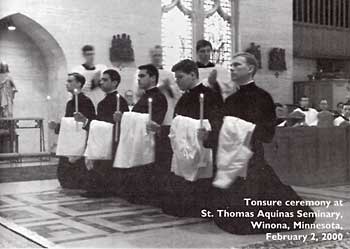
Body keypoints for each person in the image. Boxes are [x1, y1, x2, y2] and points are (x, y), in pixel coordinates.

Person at [200, 52, 315, 234]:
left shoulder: (263, 97)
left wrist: (242, 129)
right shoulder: (230, 99)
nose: (232, 68)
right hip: (230, 157)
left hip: (251, 157)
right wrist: (208, 137)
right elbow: (222, 129)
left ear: (250, 68)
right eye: (231, 65)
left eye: (237, 65)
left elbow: (267, 133)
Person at [160, 59, 223, 217]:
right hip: (184, 147)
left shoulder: (210, 95)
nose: (177, 81)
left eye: (180, 77)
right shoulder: (184, 97)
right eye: (176, 78)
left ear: (193, 75)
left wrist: (208, 133)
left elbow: (217, 121)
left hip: (202, 146)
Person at [114, 64, 167, 204]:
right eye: (138, 76)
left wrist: (124, 117)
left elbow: (154, 121)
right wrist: (125, 117)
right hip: (140, 141)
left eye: (142, 76)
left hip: (150, 142)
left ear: (153, 78)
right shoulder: (145, 97)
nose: (139, 79)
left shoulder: (158, 97)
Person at [73, 69, 129, 197]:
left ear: (114, 83)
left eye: (105, 80)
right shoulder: (103, 102)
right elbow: (97, 123)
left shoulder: (120, 101)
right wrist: (85, 121)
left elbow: (123, 124)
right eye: (101, 79)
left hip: (113, 140)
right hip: (102, 139)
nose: (101, 82)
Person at [48, 73, 96, 189]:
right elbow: (68, 124)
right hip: (69, 141)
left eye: (70, 81)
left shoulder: (86, 101)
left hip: (80, 142)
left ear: (79, 84)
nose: (67, 84)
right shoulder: (70, 103)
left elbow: (90, 122)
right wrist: (57, 126)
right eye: (67, 81)